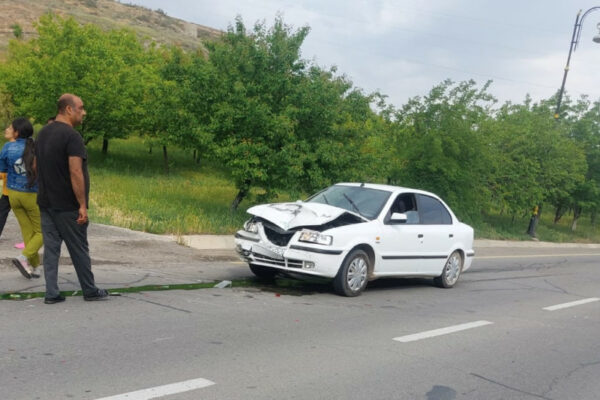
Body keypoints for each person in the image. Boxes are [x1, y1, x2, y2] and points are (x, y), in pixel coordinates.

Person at [36, 94, 108, 304]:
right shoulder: (72, 136)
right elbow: (75, 171)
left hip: (46, 202)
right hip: (68, 205)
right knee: (79, 248)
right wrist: (82, 205)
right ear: (69, 109)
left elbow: (36, 166)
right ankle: (90, 290)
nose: (83, 112)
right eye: (81, 108)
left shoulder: (43, 133)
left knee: (51, 250)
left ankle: (51, 293)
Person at [0, 118, 43, 279]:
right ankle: (23, 257)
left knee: (28, 232)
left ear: (17, 132)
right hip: (31, 194)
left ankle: (35, 267)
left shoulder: (7, 147)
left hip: (12, 195)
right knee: (42, 231)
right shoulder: (36, 147)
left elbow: (2, 168)